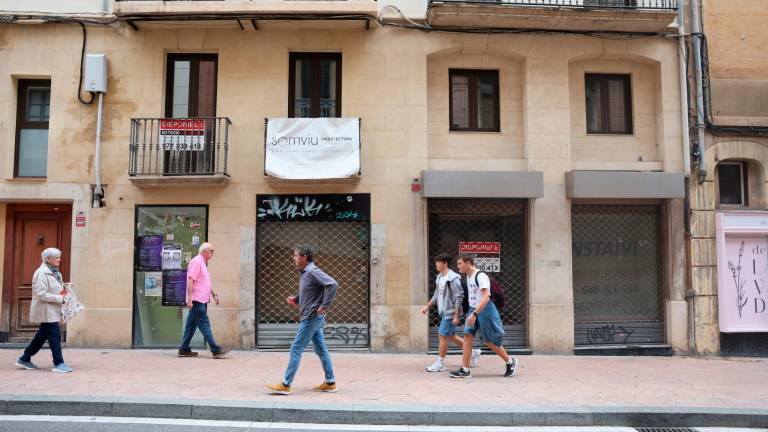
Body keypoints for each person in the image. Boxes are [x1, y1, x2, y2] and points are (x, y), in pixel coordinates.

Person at [267, 245, 338, 395]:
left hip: (311, 317)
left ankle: (286, 384)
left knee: (296, 348)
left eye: (295, 255)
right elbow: (310, 292)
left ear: (304, 257)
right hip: (312, 316)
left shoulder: (312, 271)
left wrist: (324, 306)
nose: (293, 258)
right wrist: (296, 298)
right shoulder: (305, 273)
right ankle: (330, 382)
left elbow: (332, 285)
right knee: (321, 350)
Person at [449, 255, 517, 378]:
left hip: (485, 310)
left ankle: (510, 361)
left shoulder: (480, 276)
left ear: (468, 263)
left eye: (460, 263)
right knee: (467, 336)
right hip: (472, 309)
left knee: (489, 341)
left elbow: (486, 297)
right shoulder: (468, 277)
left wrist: (475, 314)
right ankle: (465, 370)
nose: (458, 266)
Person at [15, 248, 72, 373]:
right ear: (48, 259)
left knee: (41, 336)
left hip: (52, 308)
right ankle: (58, 363)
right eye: (56, 257)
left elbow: (54, 290)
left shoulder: (56, 272)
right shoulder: (41, 273)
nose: (59, 259)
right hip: (46, 309)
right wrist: (60, 298)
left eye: (59, 257)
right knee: (55, 335)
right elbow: (41, 294)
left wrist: (65, 292)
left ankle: (24, 358)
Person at [421, 253, 480, 372]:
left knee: (442, 335)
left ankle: (440, 362)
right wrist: (427, 306)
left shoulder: (453, 278)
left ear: (445, 263)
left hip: (451, 312)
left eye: (438, 263)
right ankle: (473, 353)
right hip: (443, 310)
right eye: (436, 263)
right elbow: (437, 294)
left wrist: (457, 315)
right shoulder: (439, 277)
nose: (436, 265)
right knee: (450, 335)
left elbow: (459, 296)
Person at [178, 243, 230, 359]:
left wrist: (214, 294)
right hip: (197, 300)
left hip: (201, 299)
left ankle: (184, 349)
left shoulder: (203, 262)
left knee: (191, 326)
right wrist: (190, 299)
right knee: (204, 324)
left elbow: (205, 282)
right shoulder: (197, 262)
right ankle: (215, 349)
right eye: (211, 251)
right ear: (204, 252)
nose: (212, 253)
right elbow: (191, 280)